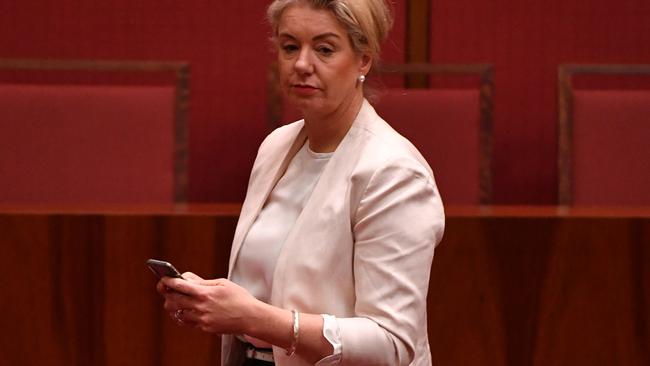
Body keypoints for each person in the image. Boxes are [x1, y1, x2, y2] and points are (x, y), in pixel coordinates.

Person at [156, 0, 445, 365]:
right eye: (290, 47)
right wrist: (210, 300)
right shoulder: (276, 146)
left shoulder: (394, 173)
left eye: (324, 49)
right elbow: (274, 285)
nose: (302, 64)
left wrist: (254, 318)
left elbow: (391, 344)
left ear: (363, 60)